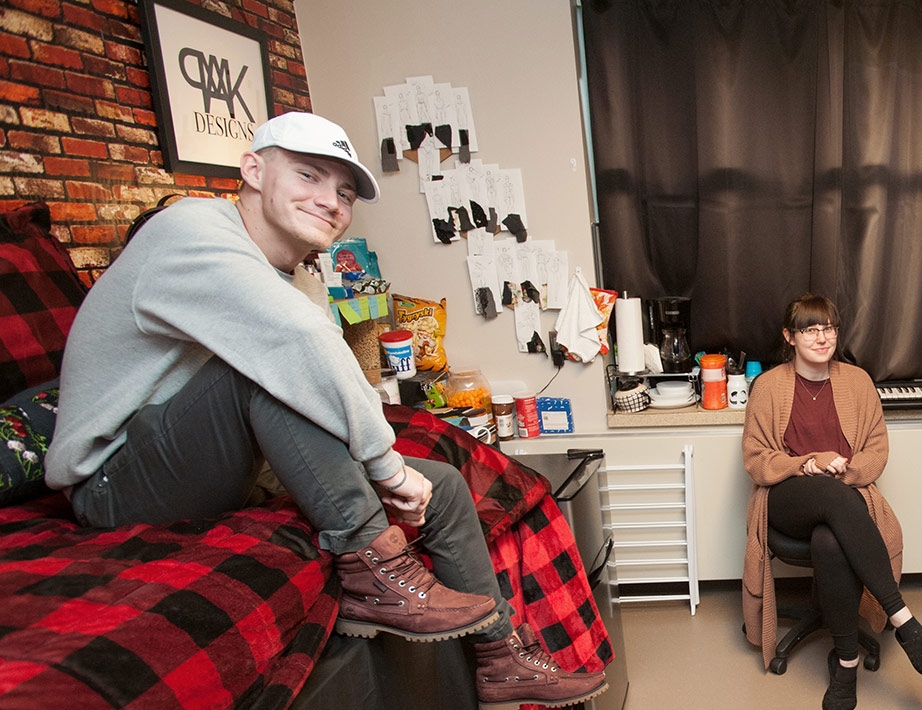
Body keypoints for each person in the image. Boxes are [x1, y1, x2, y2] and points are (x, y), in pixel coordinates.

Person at [43, 112, 607, 709]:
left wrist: (395, 467)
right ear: (253, 171)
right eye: (308, 176)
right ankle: (375, 572)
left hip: (197, 462)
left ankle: (502, 656)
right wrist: (386, 471)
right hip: (114, 484)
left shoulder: (285, 272)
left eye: (342, 193)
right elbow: (298, 347)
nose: (329, 201)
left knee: (440, 484)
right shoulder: (187, 231)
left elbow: (334, 370)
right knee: (264, 371)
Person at [742, 294, 922, 710]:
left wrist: (849, 471)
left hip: (845, 495)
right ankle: (904, 620)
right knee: (828, 496)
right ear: (790, 336)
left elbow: (877, 448)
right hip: (787, 495)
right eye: (810, 329)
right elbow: (755, 457)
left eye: (829, 328)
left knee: (829, 539)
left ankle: (845, 665)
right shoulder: (768, 386)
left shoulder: (858, 381)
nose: (822, 338)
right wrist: (809, 463)